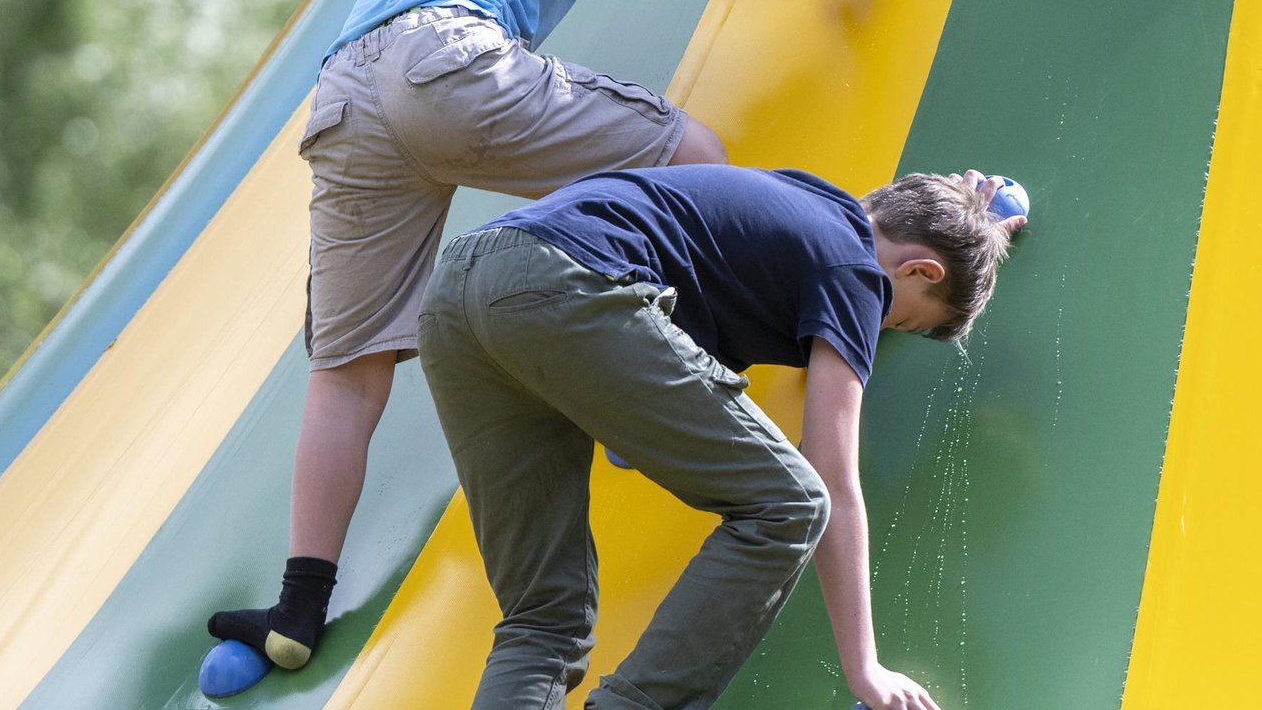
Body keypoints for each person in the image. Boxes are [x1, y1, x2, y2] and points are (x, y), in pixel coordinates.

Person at [207, 0, 880, 671]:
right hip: (448, 60)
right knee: (695, 155)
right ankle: (666, 375)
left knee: (346, 371)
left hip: (346, 93)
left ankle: (297, 608)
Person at [417, 164, 1024, 710]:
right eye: (899, 319)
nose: (878, 327)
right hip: (569, 283)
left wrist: (975, 230)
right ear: (919, 269)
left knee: (545, 616)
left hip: (462, 294)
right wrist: (864, 668)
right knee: (791, 502)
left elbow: (893, 227)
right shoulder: (856, 272)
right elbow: (833, 481)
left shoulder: (800, 210)